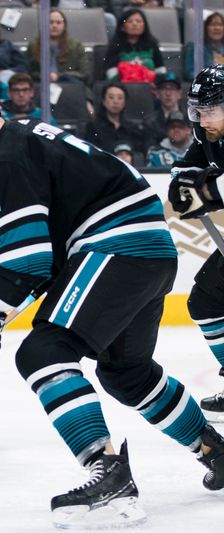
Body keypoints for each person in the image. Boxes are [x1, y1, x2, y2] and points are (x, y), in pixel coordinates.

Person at [0, 68, 224, 528]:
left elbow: (27, 261)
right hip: (150, 251)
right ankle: (215, 449)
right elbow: (43, 259)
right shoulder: (26, 135)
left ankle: (109, 476)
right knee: (126, 373)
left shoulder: (1, 160)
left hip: (118, 247)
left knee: (43, 353)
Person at [168, 64, 224, 424]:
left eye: (210, 109)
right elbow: (182, 178)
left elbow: (204, 189)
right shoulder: (208, 137)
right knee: (205, 301)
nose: (203, 119)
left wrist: (206, 190)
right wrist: (188, 188)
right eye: (198, 110)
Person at [26, 8, 90, 86]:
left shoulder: (76, 46)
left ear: (64, 26)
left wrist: (59, 76)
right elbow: (27, 73)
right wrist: (43, 76)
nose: (54, 26)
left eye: (58, 22)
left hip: (70, 85)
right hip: (41, 86)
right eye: (51, 22)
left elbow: (84, 74)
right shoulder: (33, 46)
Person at [84, 81, 144, 160]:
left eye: (120, 98)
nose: (116, 102)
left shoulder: (133, 129)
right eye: (111, 97)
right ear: (103, 101)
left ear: (125, 102)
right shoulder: (93, 127)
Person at [104, 8, 165, 82]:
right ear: (122, 27)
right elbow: (111, 74)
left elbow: (160, 70)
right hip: (122, 88)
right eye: (130, 21)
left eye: (139, 21)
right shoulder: (115, 47)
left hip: (149, 87)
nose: (135, 24)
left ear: (144, 26)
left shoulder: (152, 45)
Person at [143, 72, 187, 148]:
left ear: (179, 93)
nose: (168, 93)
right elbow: (150, 149)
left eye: (172, 88)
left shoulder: (189, 119)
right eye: (163, 88)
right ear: (157, 93)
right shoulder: (150, 122)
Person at [184, 12, 224, 82]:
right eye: (212, 25)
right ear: (205, 28)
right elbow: (190, 74)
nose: (217, 28)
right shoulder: (195, 47)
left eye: (220, 25)